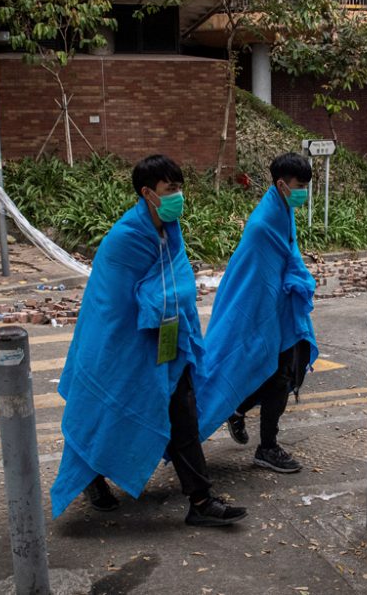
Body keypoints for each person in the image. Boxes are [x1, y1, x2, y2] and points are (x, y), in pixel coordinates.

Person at [49, 155, 247, 527]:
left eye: (179, 188)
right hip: (120, 347)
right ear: (147, 193)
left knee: (183, 416)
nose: (179, 196)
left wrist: (170, 298)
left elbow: (178, 283)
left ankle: (201, 501)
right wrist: (165, 297)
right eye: (170, 190)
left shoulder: (170, 230)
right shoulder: (125, 238)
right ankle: (90, 476)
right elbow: (112, 302)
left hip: (168, 344)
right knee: (103, 414)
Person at [196, 153, 317, 474]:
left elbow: (288, 259)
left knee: (280, 372)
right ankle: (267, 447)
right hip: (257, 310)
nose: (305, 192)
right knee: (276, 375)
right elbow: (263, 278)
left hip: (277, 308)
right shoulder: (265, 223)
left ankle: (237, 411)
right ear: (281, 184)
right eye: (300, 186)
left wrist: (297, 279)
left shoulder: (282, 208)